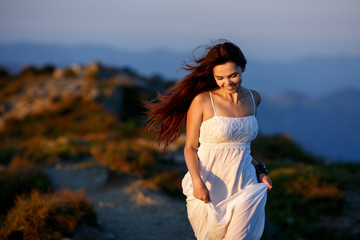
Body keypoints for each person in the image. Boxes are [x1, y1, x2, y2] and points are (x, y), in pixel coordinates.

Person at [145, 40, 273, 240]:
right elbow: (190, 147)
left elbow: (241, 148)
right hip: (211, 185)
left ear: (243, 68)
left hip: (245, 183)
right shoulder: (203, 101)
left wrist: (260, 170)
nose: (227, 82)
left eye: (233, 75)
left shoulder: (254, 98)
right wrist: (197, 182)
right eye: (220, 78)